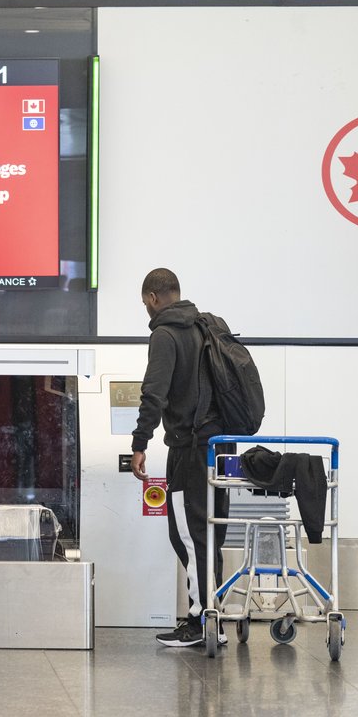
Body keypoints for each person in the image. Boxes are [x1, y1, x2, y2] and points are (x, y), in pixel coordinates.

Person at [128, 268, 232, 649]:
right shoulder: (208, 327)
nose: (146, 310)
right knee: (210, 534)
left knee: (188, 535)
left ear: (153, 298)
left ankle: (203, 621)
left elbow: (153, 393)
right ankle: (212, 616)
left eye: (145, 303)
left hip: (190, 450)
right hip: (222, 447)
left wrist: (140, 443)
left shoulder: (165, 334)